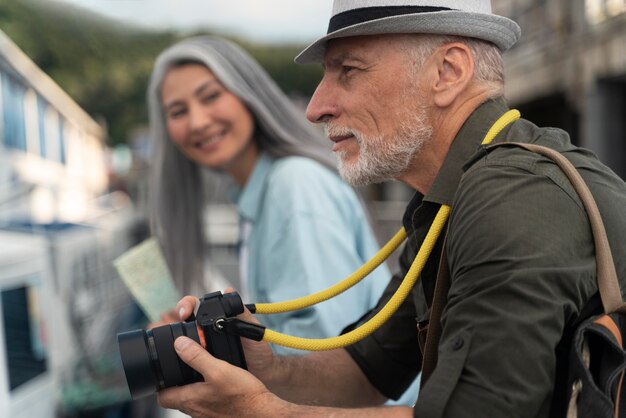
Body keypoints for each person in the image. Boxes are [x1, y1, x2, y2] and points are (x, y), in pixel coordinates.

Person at [157, 1, 626, 417]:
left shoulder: (515, 201)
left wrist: (259, 412)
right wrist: (266, 364)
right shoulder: (451, 196)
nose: (316, 107)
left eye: (349, 71)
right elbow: (370, 371)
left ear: (448, 72)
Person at [147, 36, 392, 356]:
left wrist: (202, 348)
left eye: (210, 97)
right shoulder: (259, 195)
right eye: (178, 111)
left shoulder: (294, 184)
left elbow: (323, 346)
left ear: (248, 94)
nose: (198, 121)